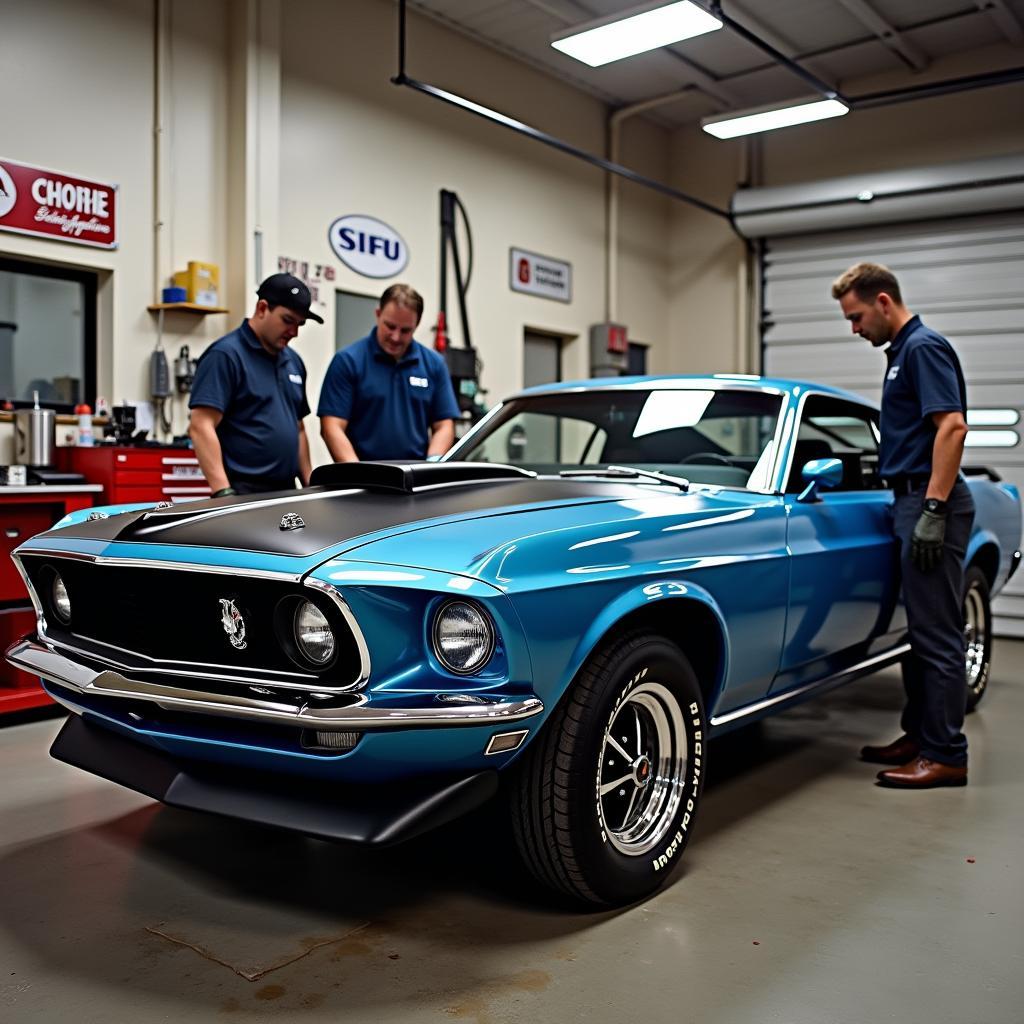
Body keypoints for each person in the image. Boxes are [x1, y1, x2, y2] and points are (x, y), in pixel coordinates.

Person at [831, 262, 974, 789]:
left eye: (857, 316)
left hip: (928, 500)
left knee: (937, 635)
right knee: (921, 632)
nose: (855, 328)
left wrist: (934, 509)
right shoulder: (903, 353)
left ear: (884, 302)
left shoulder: (922, 347)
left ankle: (946, 755)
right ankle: (919, 735)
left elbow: (953, 426)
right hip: (909, 499)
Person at [189, 273, 320, 496]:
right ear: (262, 308)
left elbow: (298, 428)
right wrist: (222, 491)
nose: (294, 332)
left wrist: (310, 483)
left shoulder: (294, 362)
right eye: (288, 320)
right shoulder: (225, 355)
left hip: (287, 489)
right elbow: (201, 426)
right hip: (242, 492)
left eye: (300, 324)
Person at [318, 284, 459, 462]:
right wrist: (356, 473)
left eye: (405, 330)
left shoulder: (434, 364)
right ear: (378, 315)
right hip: (364, 476)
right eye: (390, 326)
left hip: (415, 478)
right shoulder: (348, 361)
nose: (395, 337)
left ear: (417, 324)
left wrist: (433, 463)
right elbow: (331, 427)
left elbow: (444, 425)